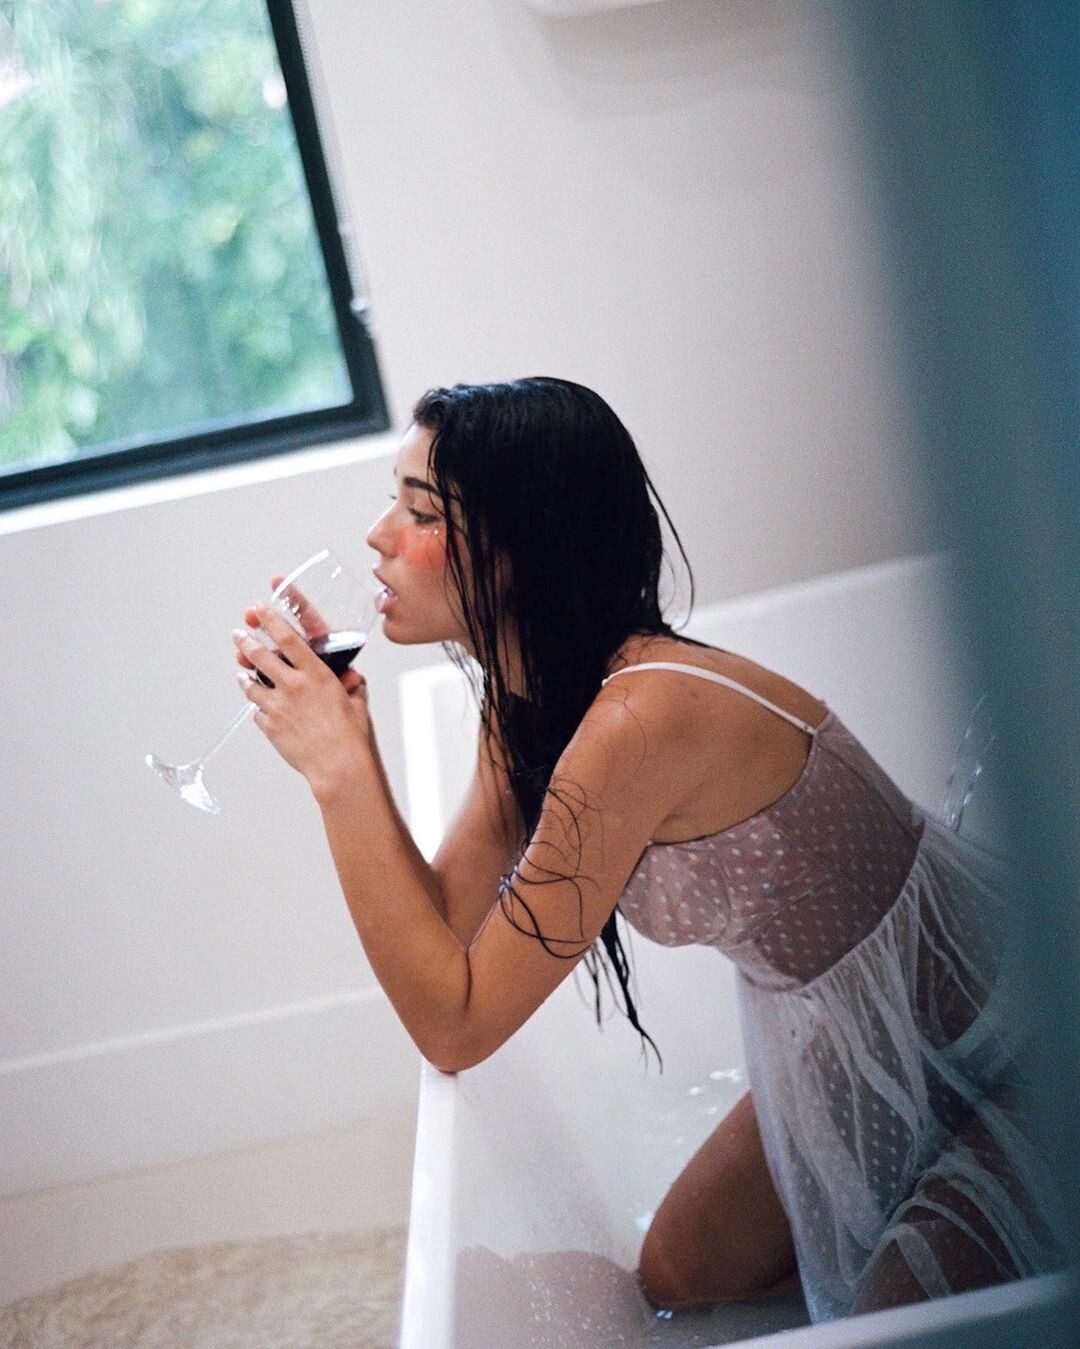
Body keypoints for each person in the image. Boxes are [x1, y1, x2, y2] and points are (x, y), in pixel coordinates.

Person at [231, 377, 1061, 1321]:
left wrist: (336, 776)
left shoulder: (637, 720)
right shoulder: (530, 701)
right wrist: (352, 747)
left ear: (521, 548)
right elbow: (450, 933)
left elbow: (456, 1023)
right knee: (673, 1276)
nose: (378, 534)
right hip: (847, 1034)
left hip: (1015, 1036)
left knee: (888, 1328)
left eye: (421, 512)